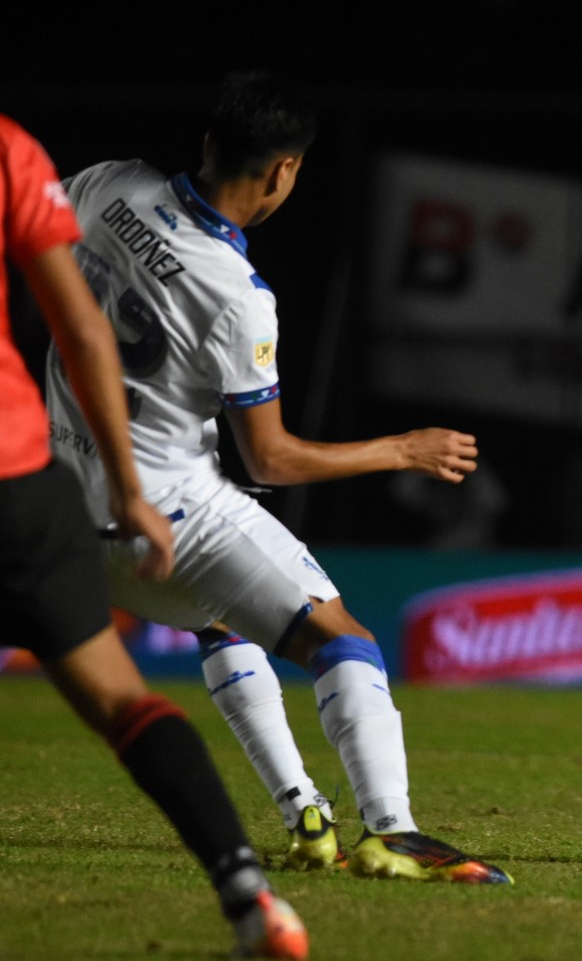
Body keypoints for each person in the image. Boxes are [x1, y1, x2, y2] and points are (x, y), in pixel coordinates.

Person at [42, 72, 510, 885]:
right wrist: (403, 449)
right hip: (169, 513)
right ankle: (393, 831)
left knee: (224, 620)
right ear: (283, 171)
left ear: (208, 143)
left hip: (73, 518)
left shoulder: (112, 185)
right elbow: (272, 460)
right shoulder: (236, 295)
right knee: (344, 642)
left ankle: (305, 815)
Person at [0, 113, 308, 958]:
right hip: (20, 477)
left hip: (34, 474)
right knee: (120, 700)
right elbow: (81, 326)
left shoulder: (105, 183)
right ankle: (247, 890)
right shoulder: (11, 150)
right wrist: (129, 490)